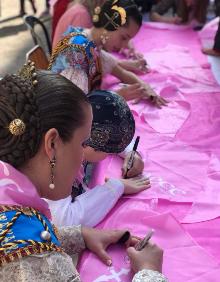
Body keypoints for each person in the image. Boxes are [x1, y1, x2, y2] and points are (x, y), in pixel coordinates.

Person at [0, 62, 168, 282]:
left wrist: (78, 235)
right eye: (82, 143)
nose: (82, 160)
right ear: (52, 144)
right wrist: (149, 272)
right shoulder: (33, 258)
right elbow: (28, 251)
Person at [48, 90, 150, 228]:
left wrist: (132, 153)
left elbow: (108, 132)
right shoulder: (56, 167)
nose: (109, 155)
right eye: (108, 152)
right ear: (86, 141)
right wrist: (116, 187)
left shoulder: (75, 132)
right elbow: (64, 221)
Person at [49, 0, 168, 108]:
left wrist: (145, 87)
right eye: (124, 37)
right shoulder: (77, 51)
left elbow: (121, 72)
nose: (126, 45)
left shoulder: (92, 44)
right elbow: (77, 106)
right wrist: (116, 96)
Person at [52, 0, 147, 72]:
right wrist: (126, 65)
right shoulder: (81, 16)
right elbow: (88, 63)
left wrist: (125, 42)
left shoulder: (90, 14)